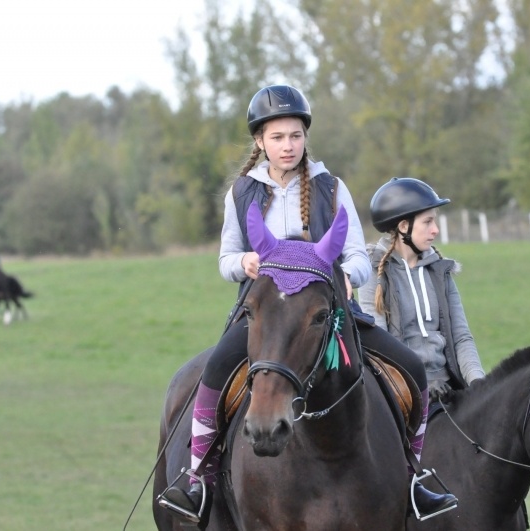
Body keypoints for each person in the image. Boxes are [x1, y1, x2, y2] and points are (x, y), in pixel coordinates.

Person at [159, 85, 457, 523]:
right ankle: (198, 478)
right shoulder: (241, 193)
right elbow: (225, 260)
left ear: (305, 138)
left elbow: (356, 255)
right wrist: (245, 261)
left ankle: (415, 477)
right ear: (260, 141)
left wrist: (348, 277)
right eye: (277, 137)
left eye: (295, 136)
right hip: (267, 314)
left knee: (409, 367)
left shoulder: (331, 187)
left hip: (328, 314)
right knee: (215, 372)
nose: (288, 146)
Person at [358, 178, 485, 402]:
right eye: (427, 222)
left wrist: (479, 384)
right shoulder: (373, 272)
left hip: (447, 387)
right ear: (404, 226)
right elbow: (378, 347)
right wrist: (420, 387)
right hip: (401, 391)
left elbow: (462, 337)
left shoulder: (441, 271)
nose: (435, 230)